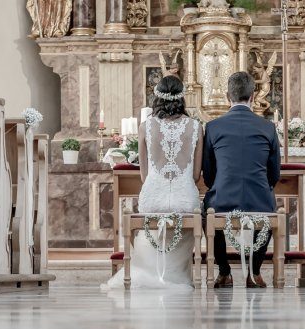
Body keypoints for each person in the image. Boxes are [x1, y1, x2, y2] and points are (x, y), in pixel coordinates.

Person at [103, 75, 203, 290]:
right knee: (189, 208)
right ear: (182, 97)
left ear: (157, 97)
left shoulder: (145, 126)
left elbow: (144, 175)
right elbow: (195, 175)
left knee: (153, 212)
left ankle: (152, 273)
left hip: (152, 198)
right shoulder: (196, 127)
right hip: (185, 199)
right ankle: (178, 277)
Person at [203, 71, 281, 289]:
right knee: (269, 203)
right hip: (259, 200)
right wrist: (263, 189)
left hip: (223, 199)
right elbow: (274, 172)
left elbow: (208, 172)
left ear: (228, 96)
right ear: (253, 95)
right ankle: (254, 272)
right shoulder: (268, 127)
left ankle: (224, 271)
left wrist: (219, 186)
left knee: (206, 209)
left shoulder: (213, 127)